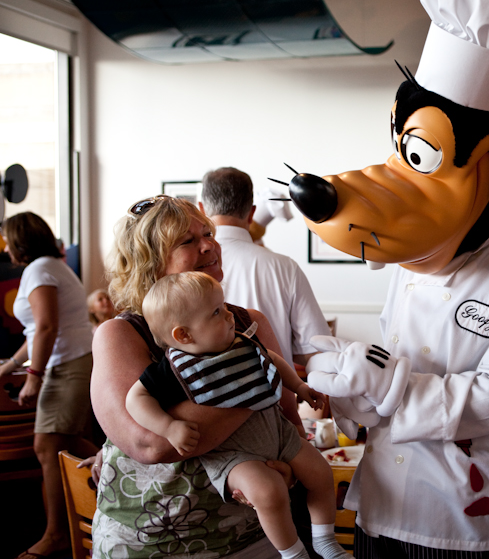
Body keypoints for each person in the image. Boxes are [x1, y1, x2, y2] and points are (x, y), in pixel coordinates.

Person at [90, 194, 305, 559]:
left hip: (252, 537)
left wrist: (289, 472)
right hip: (151, 541)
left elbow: (289, 424)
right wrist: (257, 377)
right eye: (188, 241)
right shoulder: (121, 333)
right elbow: (150, 444)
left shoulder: (250, 322)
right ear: (151, 260)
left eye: (208, 233)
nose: (209, 245)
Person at [126, 272, 348, 559]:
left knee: (320, 472)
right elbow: (135, 399)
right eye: (217, 312)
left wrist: (300, 386)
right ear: (183, 335)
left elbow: (272, 359)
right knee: (268, 492)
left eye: (225, 307)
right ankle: (293, 554)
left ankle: (325, 541)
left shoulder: (240, 343)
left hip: (276, 431)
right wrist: (168, 427)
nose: (229, 316)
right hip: (233, 453)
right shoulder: (175, 370)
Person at [0, 212, 99, 559]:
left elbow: (46, 327)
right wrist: (11, 366)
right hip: (69, 360)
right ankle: (121, 469)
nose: (6, 246)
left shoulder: (39, 269)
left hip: (68, 364)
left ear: (20, 241)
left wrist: (33, 376)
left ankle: (56, 534)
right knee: (59, 443)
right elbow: (36, 331)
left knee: (49, 444)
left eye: (8, 239)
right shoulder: (48, 266)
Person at [199, 167, 331, 369]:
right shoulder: (285, 267)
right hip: (277, 394)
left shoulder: (185, 268)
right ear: (252, 213)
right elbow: (316, 348)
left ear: (201, 210)